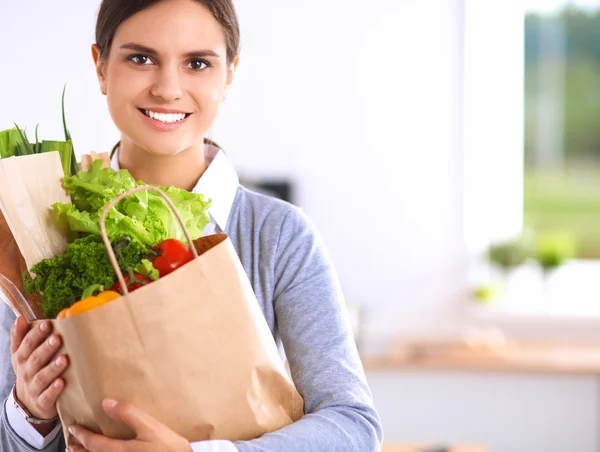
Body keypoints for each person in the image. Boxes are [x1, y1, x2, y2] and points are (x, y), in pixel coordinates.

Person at [0, 0, 383, 451]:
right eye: (140, 58)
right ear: (101, 67)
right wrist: (29, 410)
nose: (168, 88)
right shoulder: (40, 225)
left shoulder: (276, 235)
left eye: (198, 63)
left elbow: (354, 428)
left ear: (230, 75)